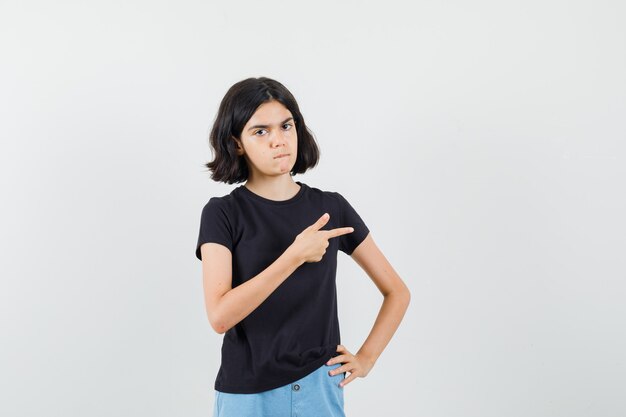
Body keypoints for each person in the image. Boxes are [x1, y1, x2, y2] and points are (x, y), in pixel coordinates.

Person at [195, 77, 411, 417]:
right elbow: (220, 317)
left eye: (286, 126)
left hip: (319, 387)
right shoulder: (222, 213)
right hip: (248, 395)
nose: (278, 140)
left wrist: (366, 358)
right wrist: (294, 256)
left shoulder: (331, 207)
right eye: (260, 131)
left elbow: (397, 292)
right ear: (237, 143)